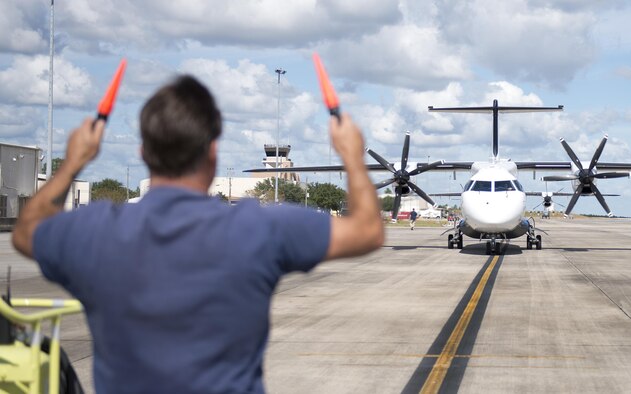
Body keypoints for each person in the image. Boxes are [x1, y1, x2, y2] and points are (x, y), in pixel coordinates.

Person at [12, 75, 384, 393]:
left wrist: (74, 161)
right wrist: (351, 156)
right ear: (213, 151)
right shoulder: (259, 228)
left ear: (143, 150)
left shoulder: (96, 231)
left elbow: (27, 232)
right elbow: (367, 230)